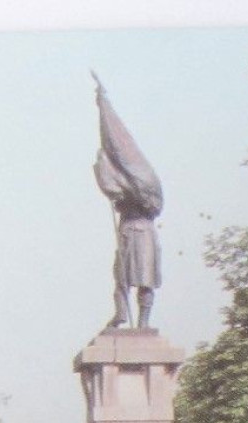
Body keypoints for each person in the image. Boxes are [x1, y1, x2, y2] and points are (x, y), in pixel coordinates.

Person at [92, 75, 163, 330]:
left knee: (145, 279)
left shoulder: (147, 182)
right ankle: (121, 314)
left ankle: (143, 323)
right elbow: (115, 191)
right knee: (121, 277)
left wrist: (124, 189)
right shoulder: (127, 180)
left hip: (142, 230)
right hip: (127, 229)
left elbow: (153, 205)